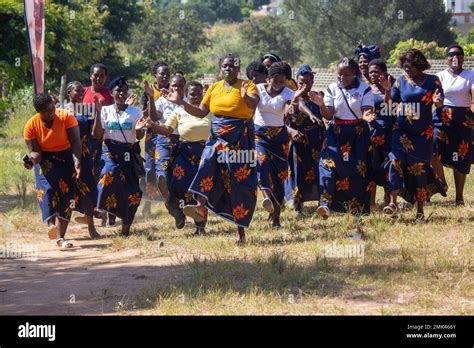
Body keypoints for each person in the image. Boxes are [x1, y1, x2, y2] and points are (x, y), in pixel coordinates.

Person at [164, 53, 259, 244]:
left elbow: (253, 103)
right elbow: (200, 112)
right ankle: (199, 206)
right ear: (219, 68)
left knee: (237, 183)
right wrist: (181, 102)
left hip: (240, 138)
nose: (228, 69)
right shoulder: (214, 88)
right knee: (206, 163)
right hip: (218, 135)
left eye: (232, 66)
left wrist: (245, 98)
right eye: (225, 66)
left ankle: (240, 231)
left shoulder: (247, 85)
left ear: (238, 68)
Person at [309, 57, 376, 219]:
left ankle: (357, 210)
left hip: (358, 134)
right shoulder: (332, 89)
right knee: (327, 165)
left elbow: (367, 110)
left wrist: (367, 116)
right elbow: (328, 115)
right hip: (336, 133)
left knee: (356, 171)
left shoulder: (365, 89)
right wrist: (321, 105)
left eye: (346, 74)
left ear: (355, 73)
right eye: (339, 74)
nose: (342, 78)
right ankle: (324, 205)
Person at [383, 49, 446, 219]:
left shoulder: (433, 81)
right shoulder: (400, 82)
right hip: (402, 131)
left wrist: (438, 103)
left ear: (419, 65)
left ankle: (420, 210)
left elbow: (440, 104)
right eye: (404, 67)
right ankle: (393, 203)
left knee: (419, 170)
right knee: (395, 161)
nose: (406, 70)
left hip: (423, 133)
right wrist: (388, 91)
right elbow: (389, 106)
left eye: (409, 66)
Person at [143, 81, 211, 234]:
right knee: (180, 186)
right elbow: (167, 129)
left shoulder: (209, 110)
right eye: (192, 94)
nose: (196, 97)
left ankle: (200, 227)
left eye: (199, 93)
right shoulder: (180, 110)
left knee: (201, 188)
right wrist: (152, 125)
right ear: (186, 95)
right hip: (185, 153)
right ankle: (179, 211)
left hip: (206, 154)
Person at [92, 76, 152, 236]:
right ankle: (101, 209)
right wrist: (98, 113)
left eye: (124, 91)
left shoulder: (135, 112)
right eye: (118, 90)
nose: (121, 93)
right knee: (108, 175)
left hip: (129, 154)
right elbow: (97, 134)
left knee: (134, 194)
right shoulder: (105, 111)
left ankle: (125, 228)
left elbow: (139, 136)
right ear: (111, 93)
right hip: (110, 152)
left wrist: (139, 129)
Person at [23, 93, 82, 248]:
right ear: (39, 111)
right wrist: (30, 160)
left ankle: (61, 238)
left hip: (67, 157)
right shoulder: (31, 126)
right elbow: (36, 152)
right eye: (46, 110)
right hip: (45, 160)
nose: (51, 112)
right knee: (47, 190)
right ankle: (51, 225)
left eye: (52, 107)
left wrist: (77, 161)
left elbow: (76, 141)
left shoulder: (66, 117)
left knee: (67, 196)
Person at [254, 62, 305, 228]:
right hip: (259, 135)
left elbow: (289, 112)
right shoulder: (258, 89)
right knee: (260, 163)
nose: (278, 84)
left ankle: (276, 218)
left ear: (286, 81)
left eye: (282, 81)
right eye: (275, 80)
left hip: (279, 139)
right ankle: (266, 197)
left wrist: (295, 100)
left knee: (279, 178)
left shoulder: (289, 93)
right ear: (269, 78)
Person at [432, 44, 474, 205]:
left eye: (458, 54)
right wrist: (437, 102)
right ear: (446, 59)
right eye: (451, 55)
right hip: (442, 115)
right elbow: (436, 98)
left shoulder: (471, 75)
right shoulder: (439, 76)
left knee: (460, 156)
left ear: (463, 57)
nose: (454, 57)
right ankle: (442, 182)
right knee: (433, 148)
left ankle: (459, 197)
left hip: (463, 118)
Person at [285, 64, 326, 214]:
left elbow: (326, 113)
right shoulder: (290, 97)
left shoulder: (317, 95)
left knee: (319, 170)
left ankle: (322, 203)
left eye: (307, 83)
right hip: (299, 141)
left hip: (317, 139)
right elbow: (287, 116)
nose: (304, 85)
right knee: (299, 172)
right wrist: (293, 130)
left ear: (312, 82)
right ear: (296, 81)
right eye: (301, 82)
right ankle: (297, 205)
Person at [64, 81, 100, 239]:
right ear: (68, 93)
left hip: (85, 152)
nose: (81, 93)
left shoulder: (88, 110)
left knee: (89, 186)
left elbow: (95, 132)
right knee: (66, 187)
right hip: (65, 152)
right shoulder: (61, 110)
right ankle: (59, 228)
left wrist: (98, 113)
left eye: (82, 92)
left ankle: (91, 226)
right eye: (77, 91)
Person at [82, 63, 115, 226]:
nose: (98, 78)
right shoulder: (84, 92)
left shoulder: (108, 95)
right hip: (83, 142)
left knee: (102, 175)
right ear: (90, 76)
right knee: (88, 176)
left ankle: (105, 212)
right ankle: (89, 210)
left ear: (105, 78)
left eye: (102, 76)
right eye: (96, 75)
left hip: (102, 141)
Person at [140, 61, 170, 216]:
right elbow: (143, 113)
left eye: (167, 74)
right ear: (155, 75)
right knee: (150, 168)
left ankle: (170, 202)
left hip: (168, 133)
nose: (164, 76)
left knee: (166, 168)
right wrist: (153, 100)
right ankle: (147, 203)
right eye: (161, 73)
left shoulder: (173, 89)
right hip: (153, 134)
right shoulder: (148, 91)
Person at [367, 59, 395, 208]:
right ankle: (371, 202)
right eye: (371, 72)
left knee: (388, 166)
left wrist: (388, 90)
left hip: (388, 133)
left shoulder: (392, 87)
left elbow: (389, 108)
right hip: (371, 133)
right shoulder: (365, 89)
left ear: (384, 72)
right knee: (372, 166)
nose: (373, 74)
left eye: (376, 71)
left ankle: (388, 199)